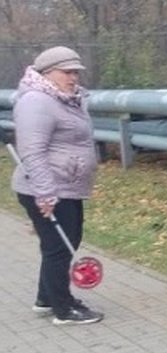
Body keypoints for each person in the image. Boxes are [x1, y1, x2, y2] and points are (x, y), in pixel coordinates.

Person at [11, 46, 103, 325]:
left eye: (76, 72)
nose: (73, 77)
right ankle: (63, 309)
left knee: (63, 244)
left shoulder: (66, 99)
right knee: (59, 247)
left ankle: (46, 298)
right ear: (47, 73)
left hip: (68, 184)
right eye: (67, 72)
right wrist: (45, 192)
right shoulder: (37, 101)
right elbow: (32, 151)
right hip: (48, 188)